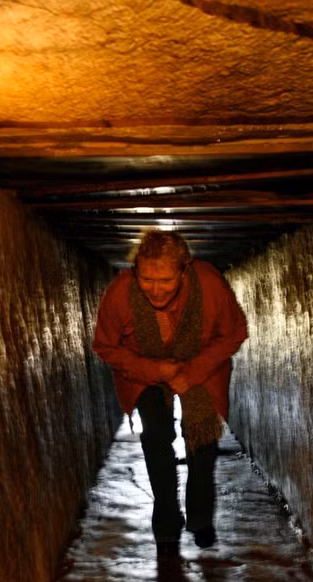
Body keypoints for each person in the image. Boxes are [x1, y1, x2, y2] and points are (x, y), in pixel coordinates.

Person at [93, 229, 248, 558]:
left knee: (202, 446)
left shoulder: (208, 284)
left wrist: (191, 373)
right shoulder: (120, 292)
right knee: (156, 439)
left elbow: (234, 332)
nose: (155, 289)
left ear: (184, 270)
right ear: (136, 271)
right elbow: (105, 345)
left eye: (165, 280)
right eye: (147, 279)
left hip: (201, 366)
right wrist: (156, 371)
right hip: (143, 369)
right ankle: (166, 518)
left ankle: (200, 518)